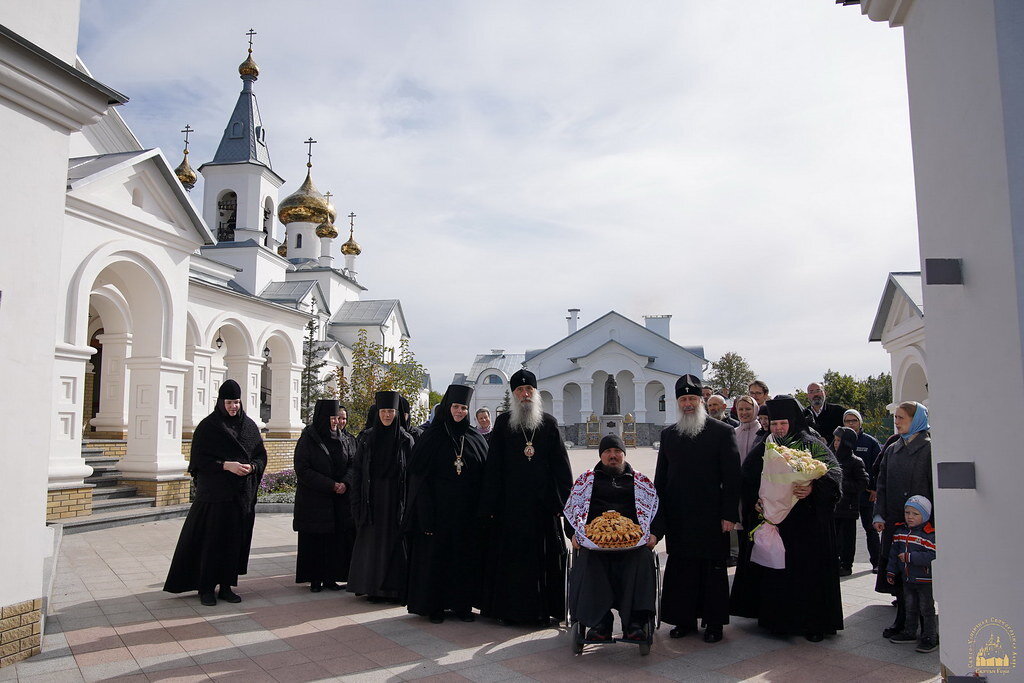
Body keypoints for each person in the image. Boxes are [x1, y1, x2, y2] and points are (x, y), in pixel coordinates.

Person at [730, 395, 844, 642]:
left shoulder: (811, 444)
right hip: (777, 524)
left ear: (793, 422)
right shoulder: (765, 446)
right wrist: (755, 503)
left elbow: (834, 473)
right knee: (777, 574)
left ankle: (813, 623)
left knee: (807, 575)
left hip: (808, 526)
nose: (779, 428)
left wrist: (814, 487)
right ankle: (778, 621)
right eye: (774, 423)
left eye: (783, 423)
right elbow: (746, 480)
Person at [651, 375, 741, 643]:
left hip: (712, 516)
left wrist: (729, 515)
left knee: (712, 570)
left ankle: (714, 623)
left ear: (701, 400)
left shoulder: (722, 432)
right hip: (679, 516)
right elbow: (661, 480)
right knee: (682, 570)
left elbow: (733, 476)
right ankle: (684, 619)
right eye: (683, 399)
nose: (688, 404)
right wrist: (660, 519)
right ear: (677, 403)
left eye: (692, 398)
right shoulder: (668, 435)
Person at [480, 369, 572, 626]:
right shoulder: (503, 423)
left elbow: (561, 468)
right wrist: (489, 504)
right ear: (513, 394)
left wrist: (564, 504)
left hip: (542, 507)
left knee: (542, 561)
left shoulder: (549, 424)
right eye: (519, 390)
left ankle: (544, 611)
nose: (524, 394)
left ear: (535, 392)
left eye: (528, 390)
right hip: (510, 507)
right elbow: (493, 466)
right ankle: (510, 612)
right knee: (513, 561)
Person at [164, 380, 266, 606]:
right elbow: (199, 462)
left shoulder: (248, 426)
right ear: (221, 402)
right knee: (211, 542)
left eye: (237, 402)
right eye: (230, 402)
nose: (234, 407)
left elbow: (260, 455)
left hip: (240, 497)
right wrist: (225, 465)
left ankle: (227, 587)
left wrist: (253, 467)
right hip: (215, 497)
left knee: (233, 543)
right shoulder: (209, 427)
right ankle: (206, 588)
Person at [405, 384, 489, 623]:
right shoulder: (432, 437)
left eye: (463, 407)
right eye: (455, 406)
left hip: (466, 513)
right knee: (437, 560)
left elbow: (485, 475)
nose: (460, 411)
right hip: (438, 511)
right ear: (447, 408)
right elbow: (419, 479)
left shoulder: (475, 437)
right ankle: (436, 607)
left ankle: (462, 605)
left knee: (464, 559)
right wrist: (425, 513)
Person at [564, 435, 658, 642]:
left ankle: (635, 622)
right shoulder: (586, 480)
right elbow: (572, 509)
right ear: (601, 455)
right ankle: (600, 622)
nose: (612, 456)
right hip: (594, 542)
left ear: (624, 454)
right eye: (607, 452)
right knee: (588, 559)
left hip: (633, 543)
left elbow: (655, 510)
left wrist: (654, 534)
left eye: (617, 451)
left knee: (643, 558)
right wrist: (573, 534)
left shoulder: (640, 482)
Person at [873, 401, 933, 639]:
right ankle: (903, 621)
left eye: (902, 418)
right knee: (899, 571)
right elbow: (882, 484)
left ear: (916, 420)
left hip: (920, 526)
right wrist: (879, 513)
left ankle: (925, 628)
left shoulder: (928, 449)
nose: (896, 422)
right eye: (895, 417)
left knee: (919, 576)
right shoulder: (892, 449)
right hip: (896, 523)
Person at [348, 391, 415, 603]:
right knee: (372, 544)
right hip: (372, 497)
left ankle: (393, 590)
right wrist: (357, 500)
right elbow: (357, 470)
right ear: (378, 413)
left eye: (391, 411)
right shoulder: (367, 438)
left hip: (396, 499)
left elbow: (413, 474)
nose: (387, 415)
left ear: (397, 413)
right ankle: (373, 588)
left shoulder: (406, 440)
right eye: (383, 411)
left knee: (393, 543)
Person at [292, 400, 356, 592]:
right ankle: (314, 579)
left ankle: (331, 577)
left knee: (334, 542)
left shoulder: (343, 439)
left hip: (338, 499)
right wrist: (330, 485)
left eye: (337, 417)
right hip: (315, 499)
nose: (336, 422)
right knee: (315, 541)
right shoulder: (308, 439)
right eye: (332, 418)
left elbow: (353, 463)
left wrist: (345, 482)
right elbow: (302, 469)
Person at [886, 495, 937, 653]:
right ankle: (910, 632)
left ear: (925, 515)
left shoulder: (929, 535)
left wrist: (910, 557)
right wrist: (891, 571)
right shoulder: (900, 532)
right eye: (907, 512)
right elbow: (893, 554)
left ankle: (930, 637)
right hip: (907, 579)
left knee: (926, 609)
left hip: (925, 580)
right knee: (910, 607)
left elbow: (933, 555)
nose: (910, 517)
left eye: (915, 514)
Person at [843, 409, 883, 571]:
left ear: (860, 422)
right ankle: (846, 565)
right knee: (847, 533)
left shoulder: (870, 442)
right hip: (847, 496)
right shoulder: (840, 441)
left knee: (871, 529)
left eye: (854, 420)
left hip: (867, 495)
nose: (851, 424)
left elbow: (878, 467)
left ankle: (877, 563)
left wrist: (874, 489)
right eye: (847, 421)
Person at [832, 426, 869, 577]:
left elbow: (863, 482)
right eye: (835, 440)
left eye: (839, 440)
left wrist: (841, 483)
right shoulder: (830, 457)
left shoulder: (855, 461)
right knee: (834, 538)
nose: (835, 443)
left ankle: (846, 565)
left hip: (848, 507)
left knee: (847, 539)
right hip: (833, 507)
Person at [733, 395, 762, 461]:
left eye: (748, 409)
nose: (744, 412)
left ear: (755, 410)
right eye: (740, 409)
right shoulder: (733, 432)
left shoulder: (761, 432)